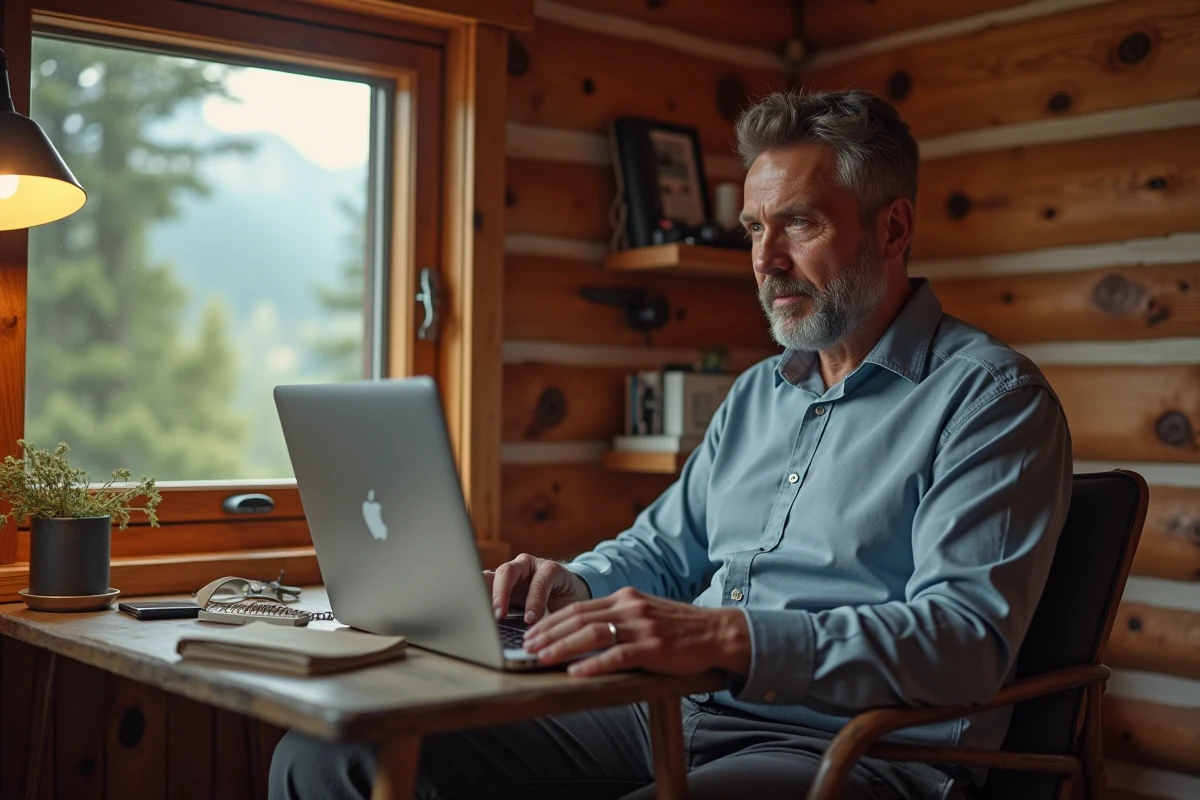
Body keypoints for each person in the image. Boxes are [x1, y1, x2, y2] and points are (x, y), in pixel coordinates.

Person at [269, 89, 1072, 800]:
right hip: (670, 710)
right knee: (335, 760)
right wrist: (573, 585)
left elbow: (963, 643)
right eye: (754, 228)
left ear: (892, 228)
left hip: (855, 751)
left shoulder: (989, 400)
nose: (766, 261)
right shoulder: (758, 394)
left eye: (799, 222)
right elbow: (660, 550)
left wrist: (726, 637)